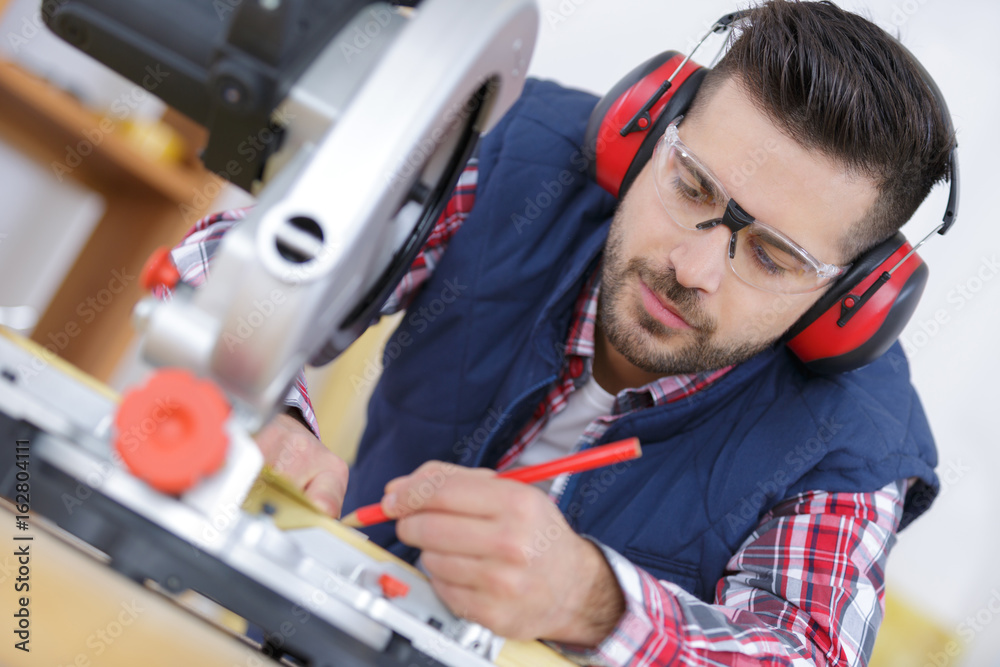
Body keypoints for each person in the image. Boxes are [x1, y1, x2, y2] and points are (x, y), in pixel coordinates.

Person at [167, 1, 953, 664]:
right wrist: (266, 409)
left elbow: (803, 653)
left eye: (773, 256)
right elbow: (219, 265)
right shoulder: (516, 154)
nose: (692, 267)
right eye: (691, 185)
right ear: (645, 129)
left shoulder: (857, 441)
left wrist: (592, 602)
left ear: (852, 300)